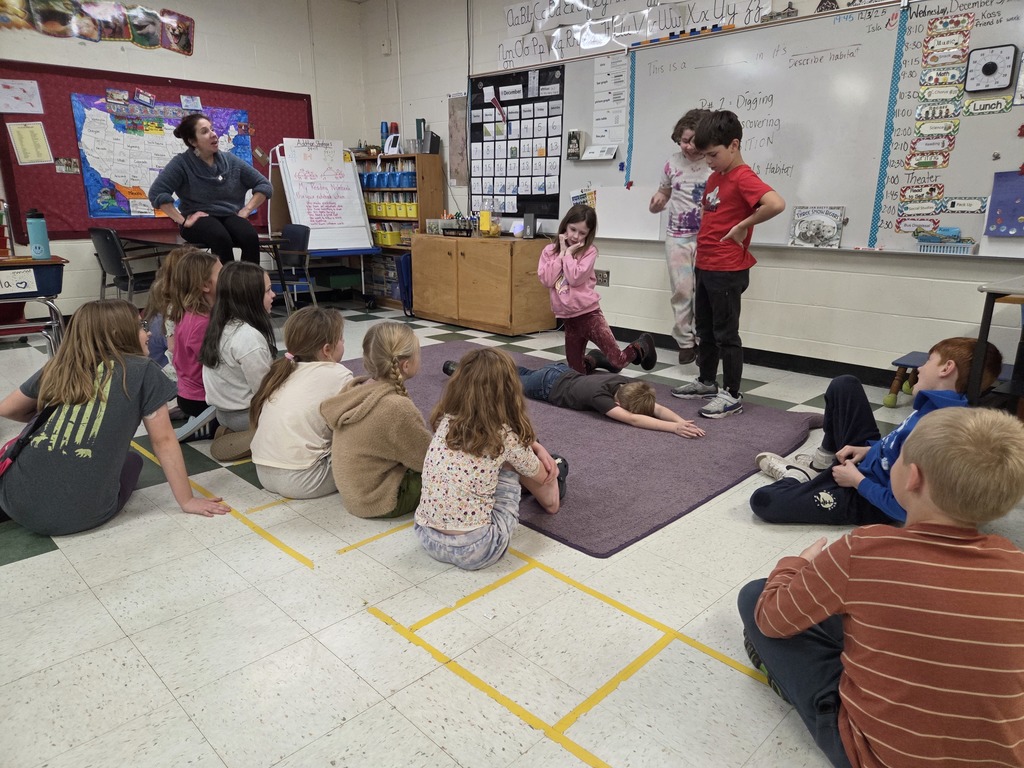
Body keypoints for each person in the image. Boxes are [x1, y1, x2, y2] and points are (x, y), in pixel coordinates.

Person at [738, 407, 1024, 768]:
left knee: (755, 597)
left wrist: (795, 564)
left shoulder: (863, 551)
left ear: (913, 477)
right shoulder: (1017, 566)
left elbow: (772, 619)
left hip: (873, 756)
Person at [0, 300, 229, 536]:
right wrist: (187, 500)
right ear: (119, 334)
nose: (149, 332)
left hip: (13, 500)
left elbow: (7, 409)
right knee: (133, 461)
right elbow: (164, 441)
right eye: (141, 326)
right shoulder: (143, 370)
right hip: (83, 514)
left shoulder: (61, 365)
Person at [750, 337, 1002, 526]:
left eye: (928, 361)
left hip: (868, 498)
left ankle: (798, 477)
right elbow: (896, 445)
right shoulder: (936, 404)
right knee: (845, 385)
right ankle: (821, 464)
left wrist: (857, 482)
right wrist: (867, 450)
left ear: (946, 368)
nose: (920, 368)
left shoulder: (940, 431)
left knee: (764, 500)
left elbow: (907, 510)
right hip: (869, 463)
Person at [671, 110, 785, 418]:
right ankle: (707, 381)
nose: (708, 161)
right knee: (705, 329)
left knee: (726, 334)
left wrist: (743, 225)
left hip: (727, 267)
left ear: (734, 145)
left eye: (713, 155)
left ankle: (732, 393)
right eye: (705, 156)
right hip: (706, 263)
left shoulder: (743, 176)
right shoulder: (715, 177)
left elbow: (775, 203)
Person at [415, 348, 568, 571]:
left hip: (428, 537)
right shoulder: (504, 436)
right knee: (521, 464)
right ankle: (558, 474)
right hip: (479, 548)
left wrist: (534, 445)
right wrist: (542, 455)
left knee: (498, 458)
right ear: (509, 391)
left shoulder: (446, 420)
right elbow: (543, 476)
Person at [320, 321, 432, 519]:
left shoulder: (354, 388)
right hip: (381, 500)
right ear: (406, 365)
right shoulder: (397, 408)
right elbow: (429, 460)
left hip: (355, 495)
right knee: (455, 473)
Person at [442, 355, 705, 438]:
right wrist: (673, 428)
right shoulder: (601, 398)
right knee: (505, 384)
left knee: (515, 372)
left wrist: (680, 421)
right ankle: (460, 372)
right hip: (547, 386)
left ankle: (473, 366)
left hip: (559, 371)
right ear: (618, 404)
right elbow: (634, 420)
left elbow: (655, 407)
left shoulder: (627, 384)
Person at [538, 204, 657, 375]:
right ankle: (595, 359)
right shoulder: (549, 251)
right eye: (572, 229)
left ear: (589, 234)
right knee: (576, 373)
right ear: (565, 225)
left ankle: (642, 345)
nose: (575, 236)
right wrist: (562, 254)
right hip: (569, 319)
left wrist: (569, 255)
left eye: (582, 233)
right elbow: (547, 280)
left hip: (589, 315)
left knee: (618, 361)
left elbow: (574, 278)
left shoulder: (589, 252)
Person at [250, 307, 352, 499]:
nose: (344, 342)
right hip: (305, 480)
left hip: (263, 473)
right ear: (327, 350)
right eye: (341, 339)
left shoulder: (282, 370)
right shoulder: (338, 374)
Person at [148, 112, 273, 265]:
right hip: (199, 219)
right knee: (220, 237)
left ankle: (250, 280)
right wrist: (183, 221)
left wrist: (246, 210)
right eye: (205, 131)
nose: (213, 134)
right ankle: (224, 280)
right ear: (193, 141)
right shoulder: (181, 163)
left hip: (228, 215)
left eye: (212, 129)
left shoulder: (230, 160)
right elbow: (157, 193)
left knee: (249, 236)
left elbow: (264, 185)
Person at [648, 108, 712, 364]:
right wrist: (657, 202)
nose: (689, 147)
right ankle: (685, 341)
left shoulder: (714, 163)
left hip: (707, 237)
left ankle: (704, 340)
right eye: (685, 141)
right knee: (682, 289)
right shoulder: (672, 163)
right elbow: (664, 192)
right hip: (678, 235)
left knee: (705, 292)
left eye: (695, 142)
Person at [200, 262, 276, 461]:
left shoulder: (221, 324)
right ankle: (254, 436)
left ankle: (241, 435)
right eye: (268, 290)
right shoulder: (248, 337)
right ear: (250, 297)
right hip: (247, 415)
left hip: (223, 414)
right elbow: (264, 391)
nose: (273, 295)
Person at [168, 249, 221, 440]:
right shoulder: (202, 322)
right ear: (205, 286)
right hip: (201, 397)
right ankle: (202, 424)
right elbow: (214, 364)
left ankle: (192, 416)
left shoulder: (189, 312)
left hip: (188, 392)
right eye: (221, 273)